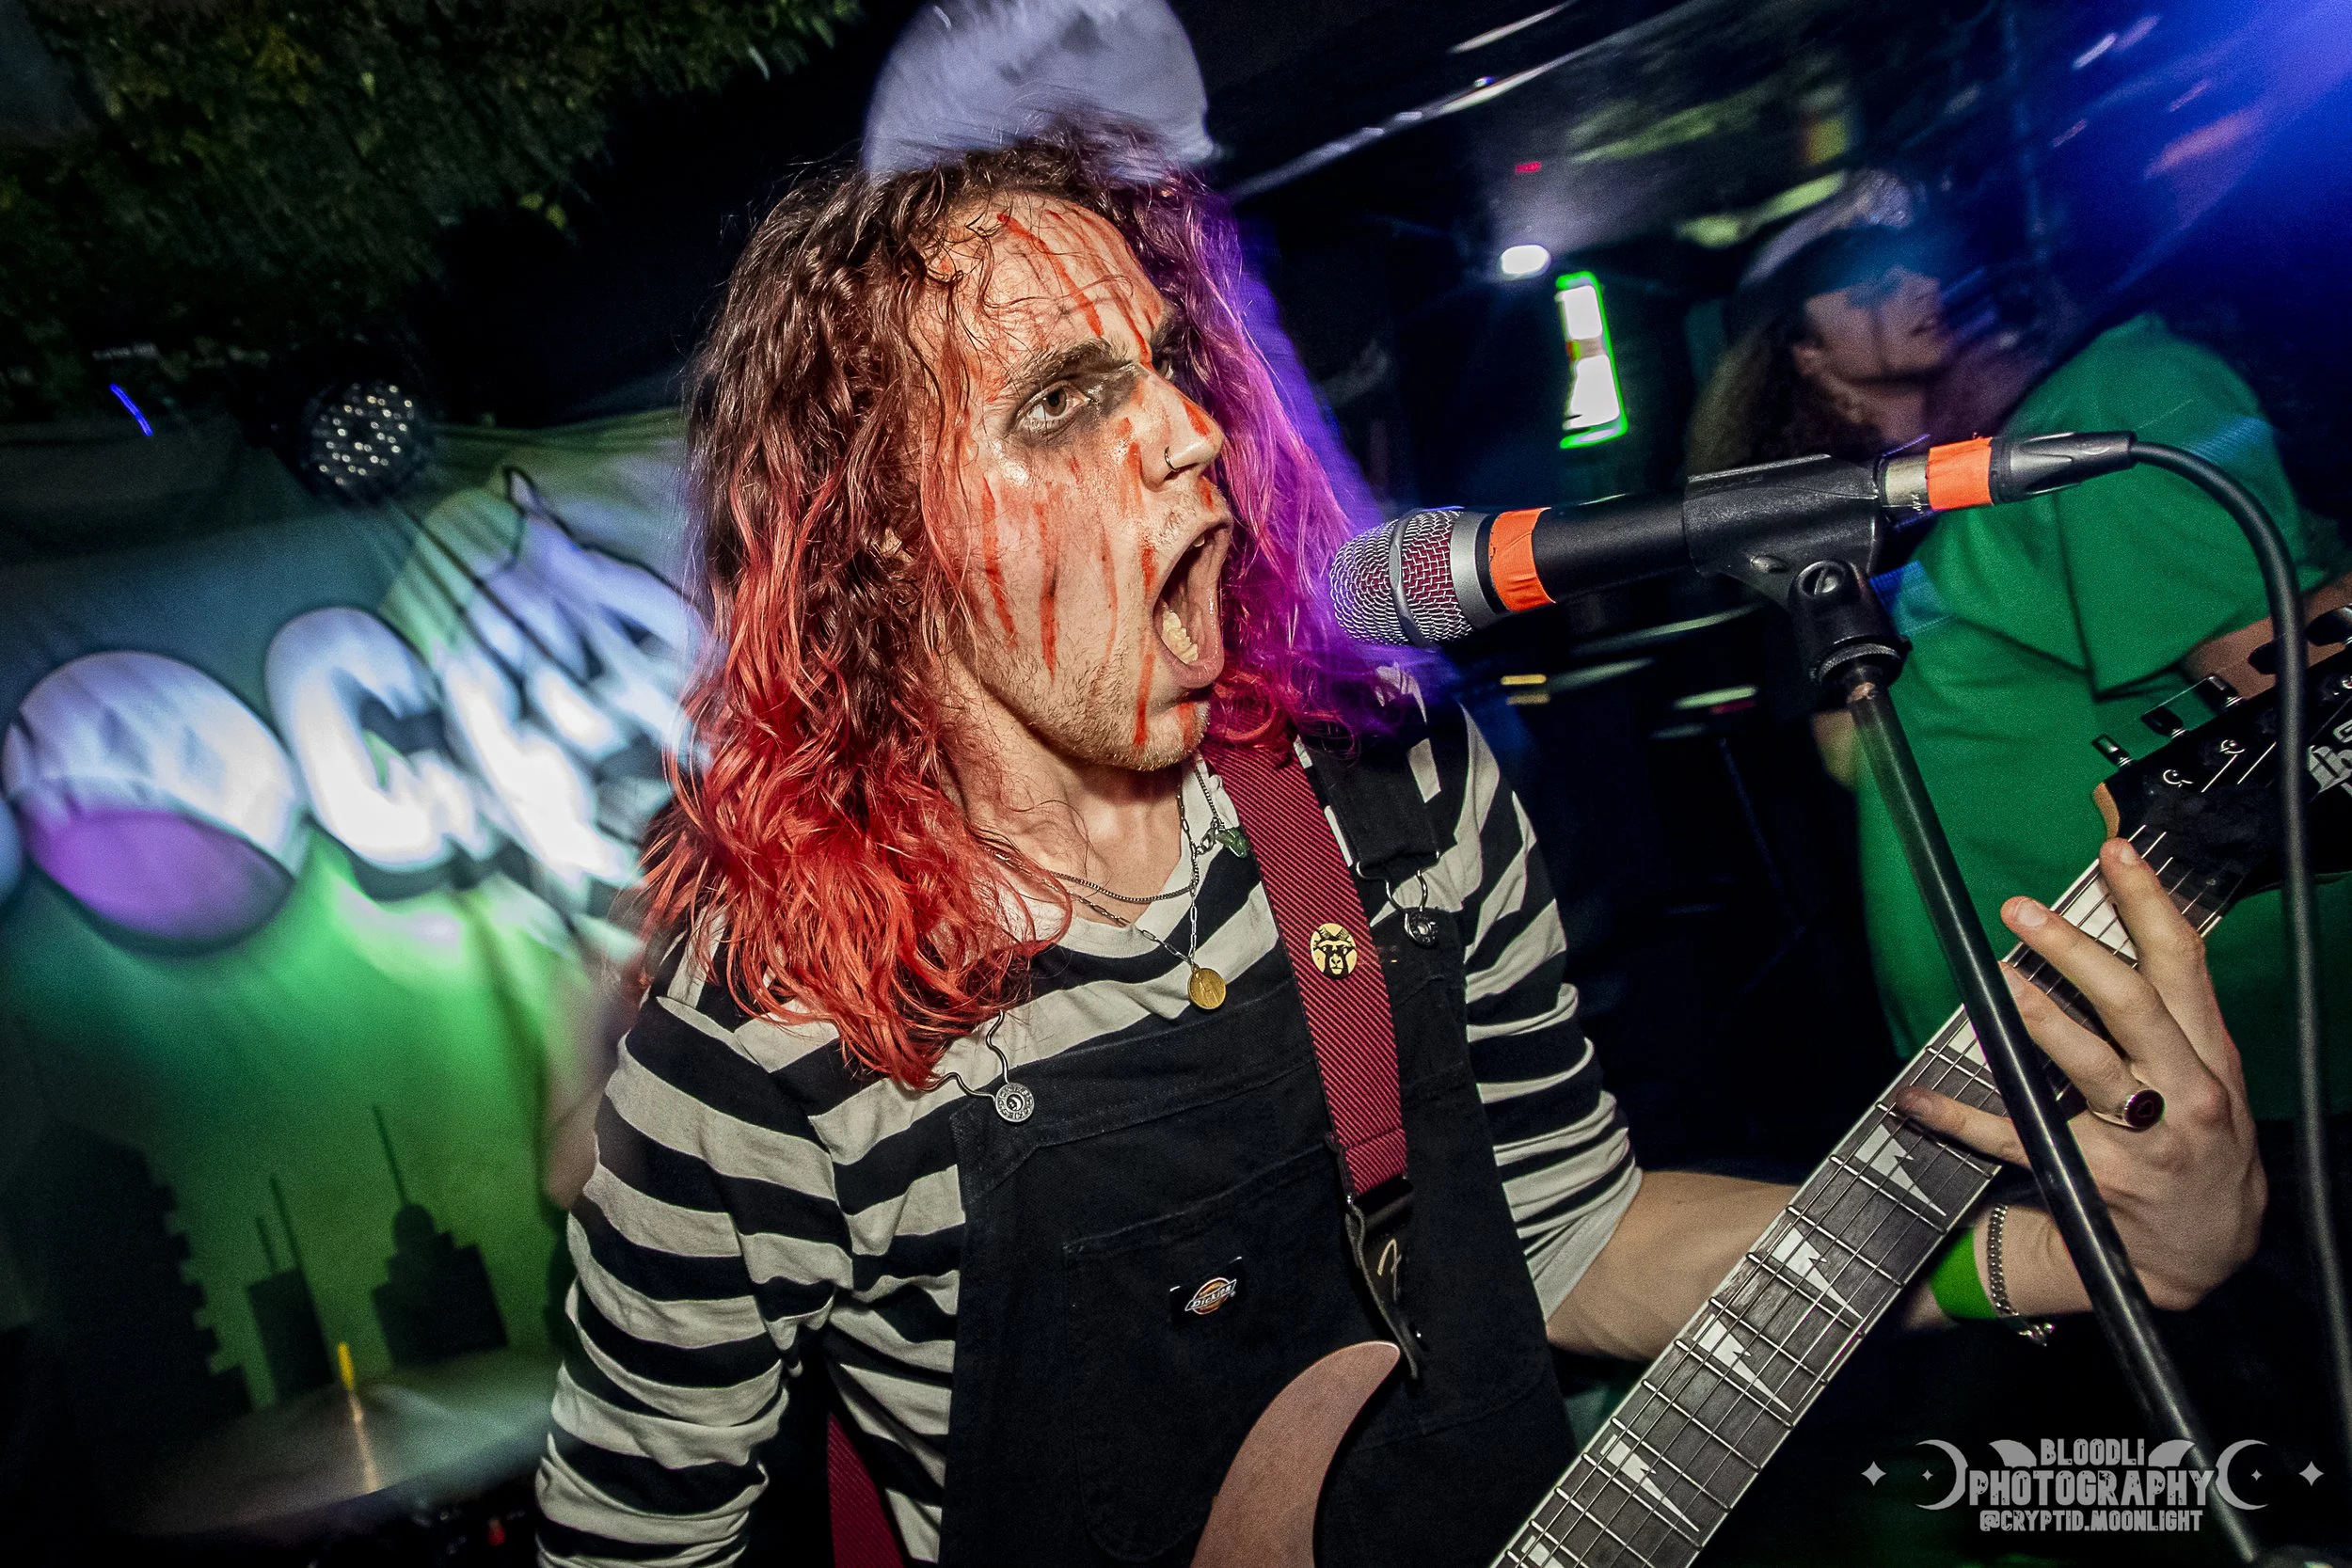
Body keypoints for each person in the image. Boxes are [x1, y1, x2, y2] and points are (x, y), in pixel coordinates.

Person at [535, 130, 2265, 1568]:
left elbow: (1573, 1237)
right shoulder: (759, 1031)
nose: (1189, 429)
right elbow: (629, 1542)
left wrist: (2072, 1251)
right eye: (1063, 399)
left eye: (1168, 366)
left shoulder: (1400, 791)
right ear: (874, 543)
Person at [1692, 174, 2352, 1132]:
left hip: (2094, 979)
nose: (1919, 287)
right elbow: (1850, 751)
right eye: (1871, 285)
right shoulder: (1815, 520)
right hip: (2073, 969)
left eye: (1921, 266)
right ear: (1803, 351)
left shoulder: (2022, 434)